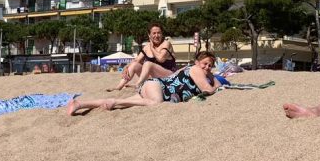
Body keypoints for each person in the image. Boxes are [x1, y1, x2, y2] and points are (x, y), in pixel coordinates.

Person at [69, 52, 220, 116]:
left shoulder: (195, 70)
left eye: (210, 66)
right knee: (156, 103)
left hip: (152, 87)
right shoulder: (195, 69)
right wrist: (215, 81)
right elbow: (208, 90)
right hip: (158, 87)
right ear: (197, 62)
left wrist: (212, 77)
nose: (207, 67)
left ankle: (80, 104)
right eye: (205, 64)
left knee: (127, 105)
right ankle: (114, 100)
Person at [109, 22, 177, 91]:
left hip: (169, 77)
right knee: (134, 65)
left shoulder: (166, 44)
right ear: (149, 35)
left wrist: (152, 47)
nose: (156, 35)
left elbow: (160, 59)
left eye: (159, 33)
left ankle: (138, 84)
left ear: (162, 34)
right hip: (155, 79)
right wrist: (126, 67)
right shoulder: (146, 47)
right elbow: (136, 60)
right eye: (154, 33)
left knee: (148, 64)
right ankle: (119, 86)